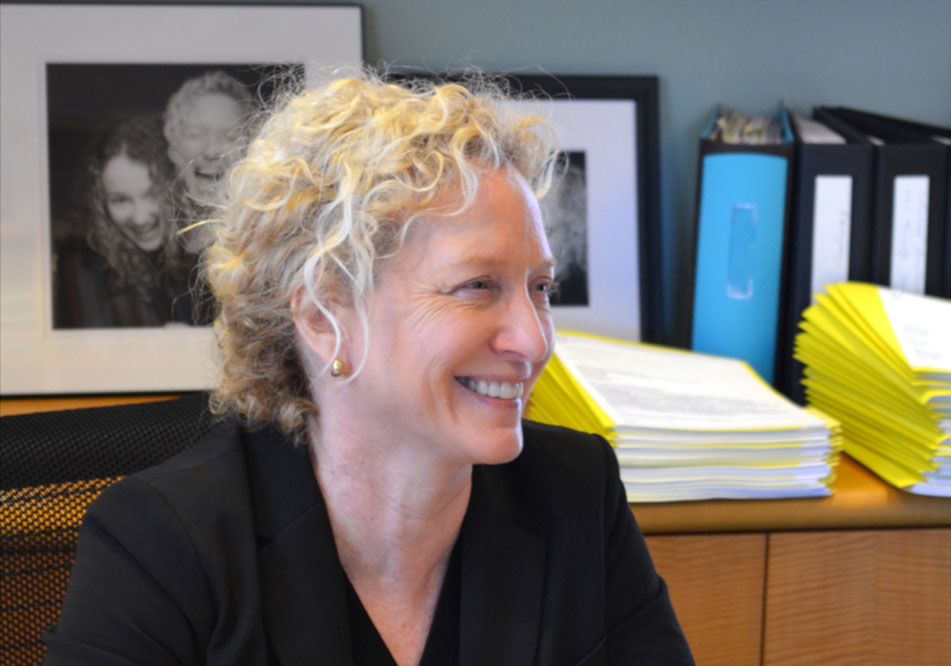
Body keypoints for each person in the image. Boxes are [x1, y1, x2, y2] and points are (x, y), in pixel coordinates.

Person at [44, 73, 694, 665]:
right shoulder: (162, 544)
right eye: (476, 286)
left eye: (541, 289)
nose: (533, 339)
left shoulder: (574, 495)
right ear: (325, 315)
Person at [53, 114, 195, 328]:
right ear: (100, 205)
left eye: (152, 194)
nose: (140, 217)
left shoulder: (204, 258)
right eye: (120, 200)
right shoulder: (86, 272)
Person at [162, 69, 255, 256]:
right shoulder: (156, 236)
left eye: (230, 136)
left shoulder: (261, 244)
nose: (212, 151)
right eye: (196, 134)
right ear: (173, 147)